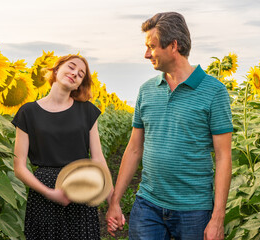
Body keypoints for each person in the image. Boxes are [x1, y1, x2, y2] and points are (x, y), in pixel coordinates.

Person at [106, 12, 233, 240]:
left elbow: (224, 156)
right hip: (148, 205)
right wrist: (115, 201)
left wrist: (217, 218)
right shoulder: (146, 90)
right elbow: (134, 148)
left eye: (151, 46)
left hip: (195, 209)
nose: (146, 54)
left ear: (173, 46)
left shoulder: (214, 91)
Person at [12, 54, 111, 239]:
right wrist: (50, 193)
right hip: (44, 193)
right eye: (71, 67)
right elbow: (19, 167)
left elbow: (98, 160)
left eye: (81, 74)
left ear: (79, 85)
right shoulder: (28, 112)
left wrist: (112, 201)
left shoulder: (87, 111)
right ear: (57, 70)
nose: (75, 73)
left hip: (81, 188)